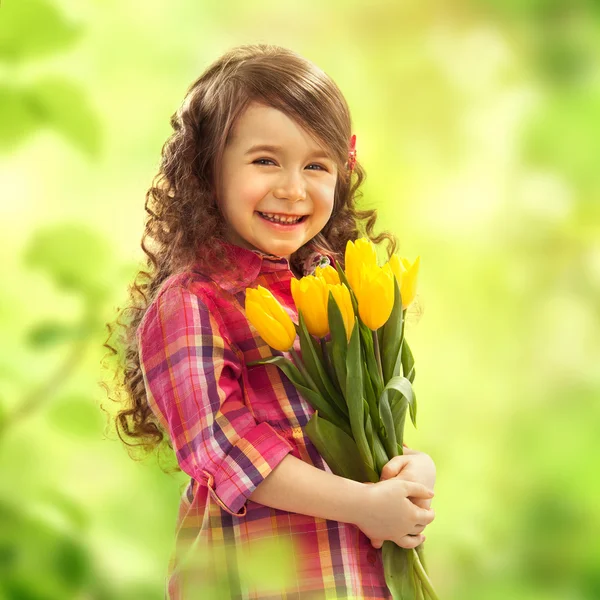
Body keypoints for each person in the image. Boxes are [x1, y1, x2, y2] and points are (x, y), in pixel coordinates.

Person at [111, 43, 437, 599]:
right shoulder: (190, 303)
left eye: (316, 165)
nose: (292, 188)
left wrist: (410, 473)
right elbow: (224, 445)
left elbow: (365, 427)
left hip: (355, 578)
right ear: (207, 167)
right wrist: (363, 505)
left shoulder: (335, 290)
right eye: (266, 160)